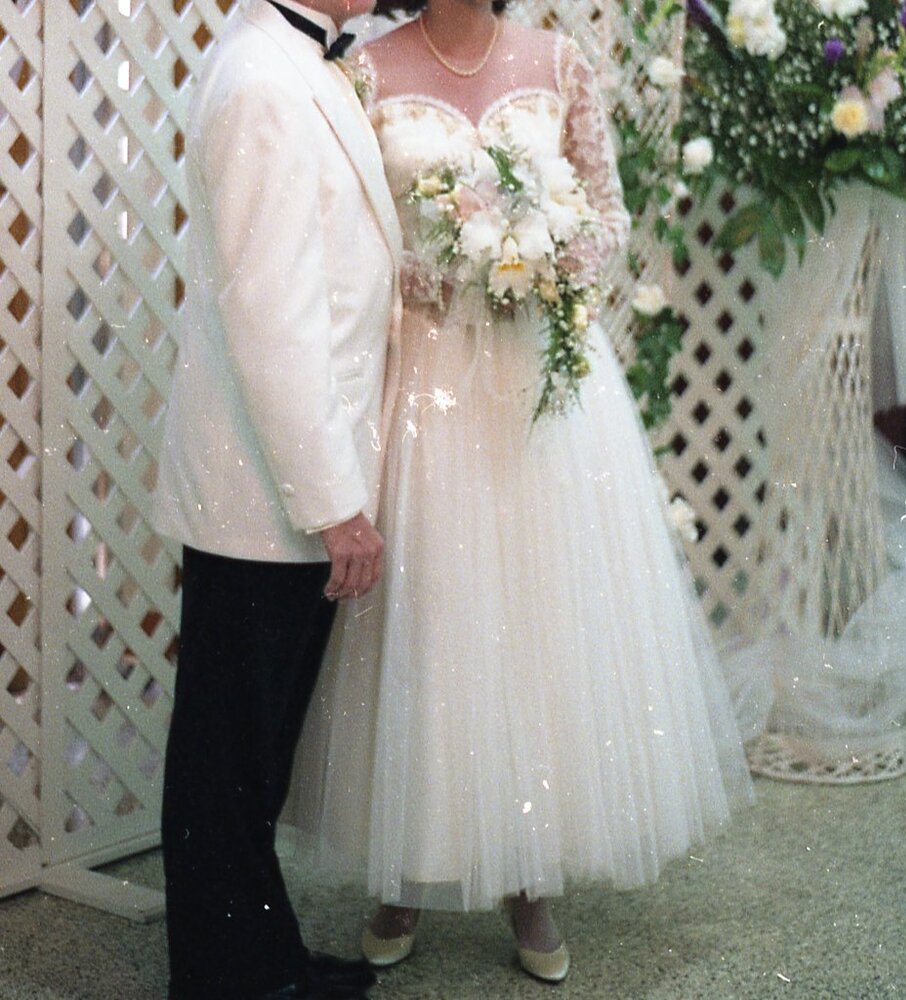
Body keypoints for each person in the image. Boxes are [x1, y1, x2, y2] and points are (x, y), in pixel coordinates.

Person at [286, 0, 754, 985]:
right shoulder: (366, 69)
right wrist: (444, 272)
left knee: (538, 616)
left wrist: (544, 264)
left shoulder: (557, 59)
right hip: (423, 386)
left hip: (543, 387)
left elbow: (608, 210)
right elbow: (353, 236)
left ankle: (530, 871)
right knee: (427, 615)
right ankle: (403, 864)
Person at [153, 0, 402, 995]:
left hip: (276, 483)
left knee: (246, 756)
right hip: (265, 490)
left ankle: (258, 962)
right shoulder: (263, 81)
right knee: (229, 758)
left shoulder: (292, 61)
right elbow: (273, 315)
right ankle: (231, 980)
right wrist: (334, 502)